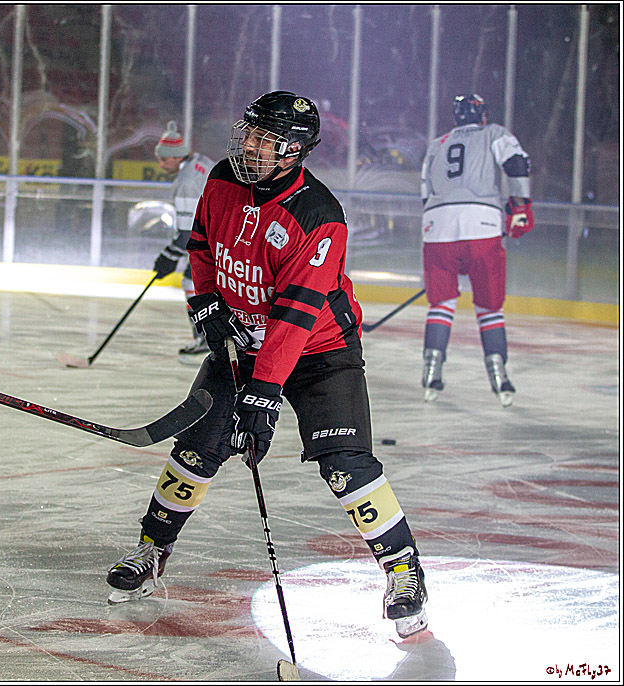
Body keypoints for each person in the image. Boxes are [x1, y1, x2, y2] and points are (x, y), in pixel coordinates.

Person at [106, 91, 428, 639]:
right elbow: (204, 247)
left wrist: (260, 395)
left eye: (263, 138)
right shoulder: (223, 180)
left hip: (319, 350)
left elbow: (294, 318)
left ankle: (404, 573)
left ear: (293, 152)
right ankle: (151, 548)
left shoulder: (318, 216)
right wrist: (206, 303)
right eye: (248, 133)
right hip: (245, 343)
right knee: (196, 450)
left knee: (346, 464)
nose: (247, 145)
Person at [419, 94, 532, 406]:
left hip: (437, 226)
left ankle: (431, 371)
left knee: (441, 303)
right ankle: (499, 376)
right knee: (489, 306)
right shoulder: (493, 133)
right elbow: (516, 162)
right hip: (481, 222)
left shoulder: (436, 144)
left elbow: (425, 193)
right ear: (481, 114)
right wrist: (520, 206)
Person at [148, 120, 215, 362]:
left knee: (191, 283)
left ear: (177, 157)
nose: (161, 164)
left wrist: (169, 256)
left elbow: (187, 233)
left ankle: (206, 337)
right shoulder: (199, 162)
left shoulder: (187, 181)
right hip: (221, 238)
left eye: (164, 160)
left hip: (213, 242)